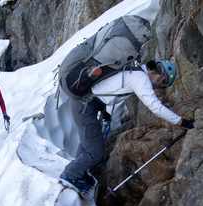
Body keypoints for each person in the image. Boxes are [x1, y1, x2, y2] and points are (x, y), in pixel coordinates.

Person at [60, 60, 195, 192]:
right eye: (161, 84)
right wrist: (183, 122)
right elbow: (156, 107)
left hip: (84, 104)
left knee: (88, 144)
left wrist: (103, 109)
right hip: (84, 107)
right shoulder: (140, 78)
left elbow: (106, 87)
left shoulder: (135, 69)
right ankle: (71, 174)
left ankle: (80, 172)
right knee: (95, 152)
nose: (158, 87)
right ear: (162, 76)